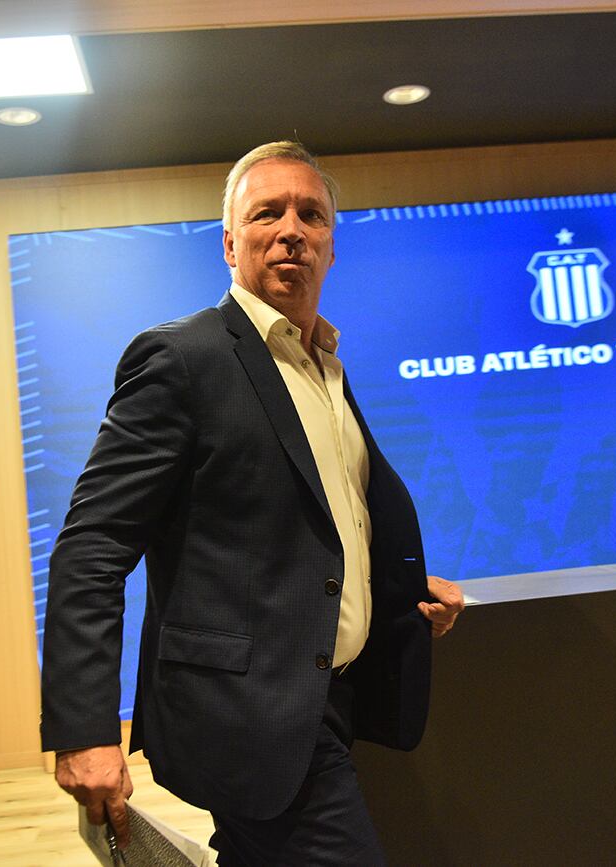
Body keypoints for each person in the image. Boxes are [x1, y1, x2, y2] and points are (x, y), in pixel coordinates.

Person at [41, 141, 464, 865]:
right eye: (267, 213)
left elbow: (309, 517)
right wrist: (84, 728)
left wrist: (390, 586)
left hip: (323, 700)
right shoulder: (182, 359)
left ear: (332, 244)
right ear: (230, 243)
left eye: (311, 214)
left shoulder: (321, 363)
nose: (291, 228)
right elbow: (93, 545)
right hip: (249, 713)